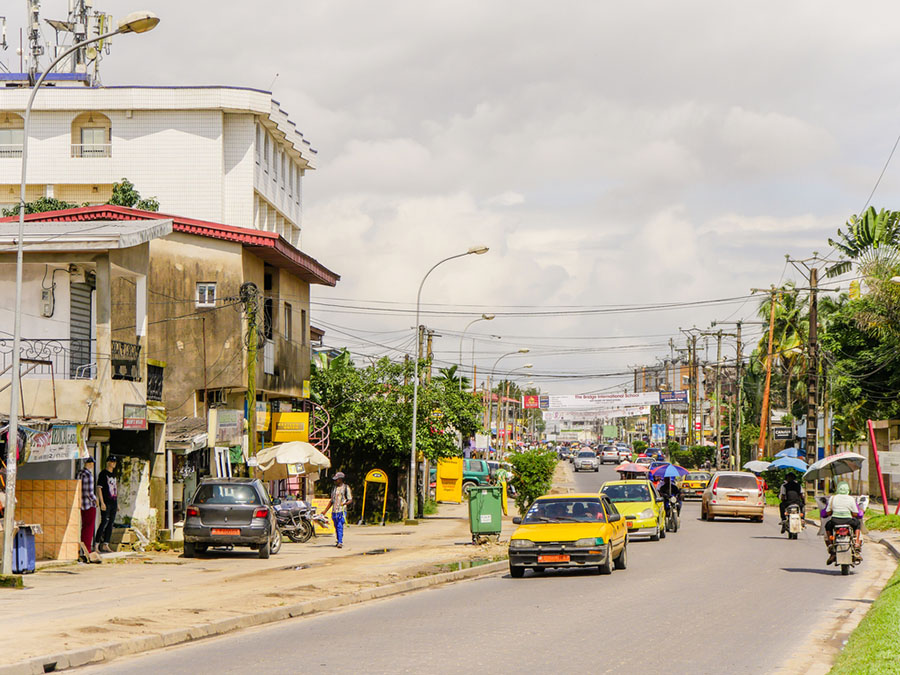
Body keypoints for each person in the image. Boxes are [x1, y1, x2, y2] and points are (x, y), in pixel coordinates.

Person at [823, 482, 864, 564]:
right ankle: (856, 543)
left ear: (837, 489)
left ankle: (831, 545)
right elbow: (855, 513)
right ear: (848, 490)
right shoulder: (851, 499)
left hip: (835, 521)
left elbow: (827, 512)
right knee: (857, 524)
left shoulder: (832, 498)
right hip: (848, 521)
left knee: (827, 526)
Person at [322, 472, 353, 549]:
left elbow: (350, 500)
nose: (335, 481)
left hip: (342, 511)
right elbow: (332, 501)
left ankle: (340, 542)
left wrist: (344, 503)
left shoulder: (346, 488)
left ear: (340, 479)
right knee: (336, 526)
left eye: (337, 480)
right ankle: (339, 539)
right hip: (334, 511)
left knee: (339, 525)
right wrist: (325, 511)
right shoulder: (334, 488)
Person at [95, 456, 119, 553]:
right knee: (104, 521)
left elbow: (115, 488)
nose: (113, 463)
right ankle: (96, 545)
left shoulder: (113, 475)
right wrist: (102, 502)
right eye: (112, 461)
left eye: (114, 461)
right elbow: (99, 488)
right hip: (106, 501)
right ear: (108, 462)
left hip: (113, 501)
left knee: (111, 523)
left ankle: (106, 544)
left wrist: (117, 503)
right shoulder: (103, 474)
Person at [77, 456, 98, 557]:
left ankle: (82, 549)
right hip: (89, 504)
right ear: (90, 464)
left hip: (81, 504)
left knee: (84, 527)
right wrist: (96, 500)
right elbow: (89, 492)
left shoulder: (80, 473)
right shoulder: (89, 475)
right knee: (89, 527)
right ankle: (87, 550)